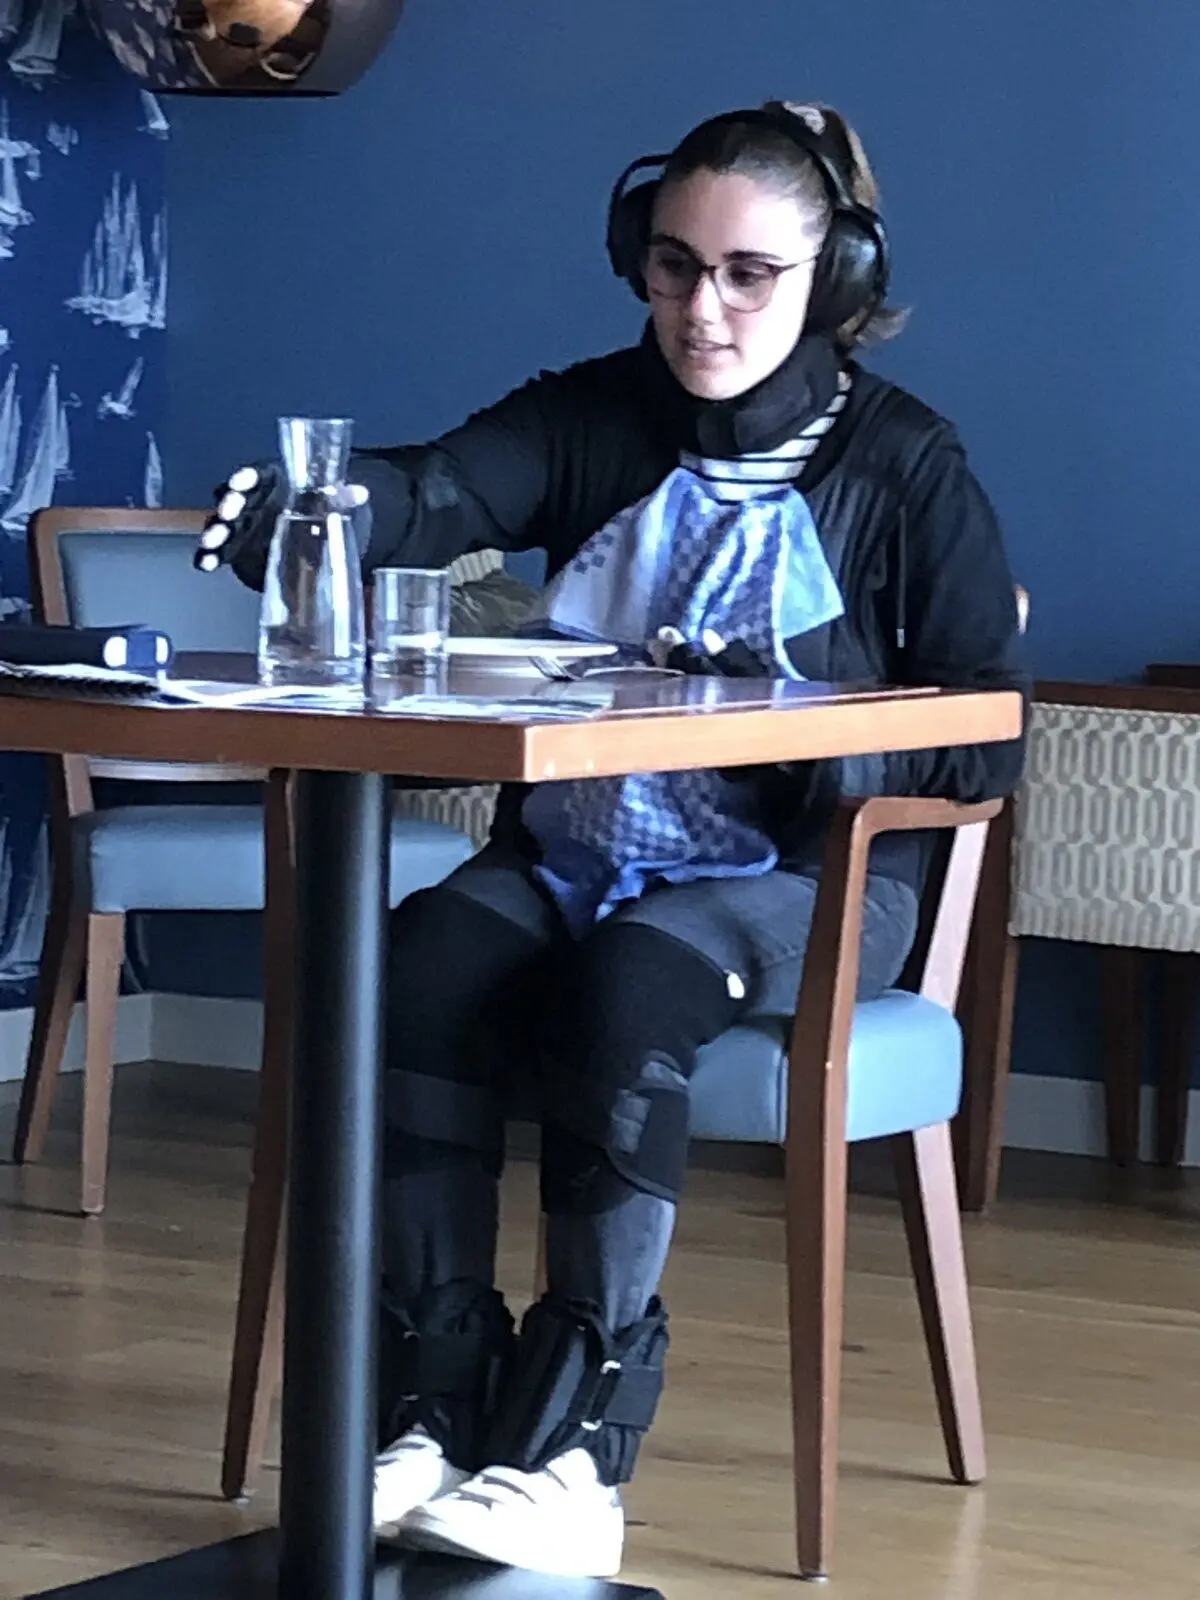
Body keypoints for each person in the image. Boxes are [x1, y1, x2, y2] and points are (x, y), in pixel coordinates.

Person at [199, 100, 1029, 1580]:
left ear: (834, 277)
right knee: (415, 969)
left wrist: (795, 722)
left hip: (802, 879)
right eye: (673, 266)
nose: (703, 310)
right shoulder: (592, 412)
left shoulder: (909, 462)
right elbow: (446, 487)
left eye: (750, 275)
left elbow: (989, 726)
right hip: (576, 852)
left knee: (628, 984)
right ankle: (433, 1411)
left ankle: (573, 1453)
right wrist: (333, 507)